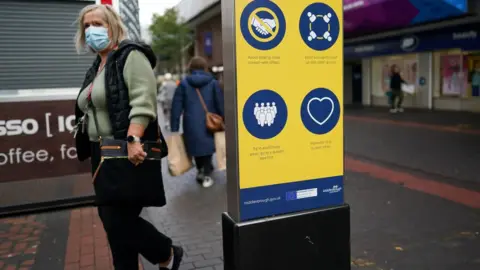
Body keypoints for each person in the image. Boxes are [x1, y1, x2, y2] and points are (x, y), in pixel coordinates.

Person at [73, 4, 182, 270]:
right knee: (114, 224)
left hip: (124, 149)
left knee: (116, 220)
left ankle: (165, 250)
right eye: (86, 26)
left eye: (97, 24)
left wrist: (133, 139)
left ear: (113, 26)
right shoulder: (97, 65)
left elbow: (143, 101)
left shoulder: (130, 55)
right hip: (102, 153)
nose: (91, 30)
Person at [170, 57, 224, 188]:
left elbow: (176, 106)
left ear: (191, 68)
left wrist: (174, 127)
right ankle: (205, 169)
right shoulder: (213, 83)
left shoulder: (183, 84)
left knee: (195, 146)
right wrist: (224, 118)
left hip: (190, 122)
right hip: (209, 122)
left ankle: (201, 169)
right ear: (205, 67)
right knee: (208, 145)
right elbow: (220, 103)